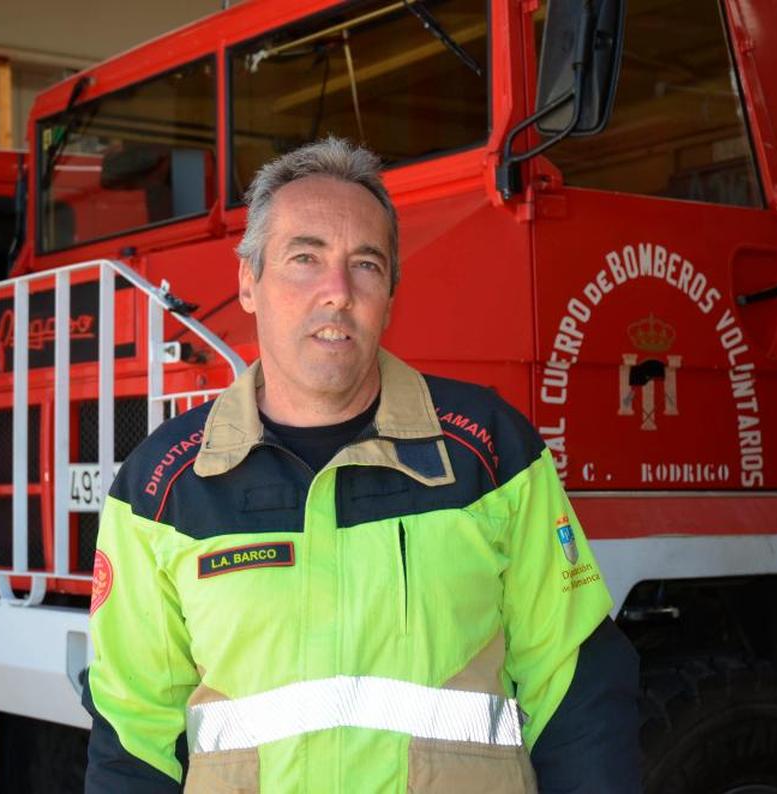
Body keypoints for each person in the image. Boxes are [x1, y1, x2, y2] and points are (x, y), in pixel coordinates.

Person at [83, 137, 641, 793]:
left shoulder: (488, 452)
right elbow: (131, 740)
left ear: (390, 293)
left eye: (366, 265)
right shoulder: (161, 486)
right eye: (304, 259)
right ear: (248, 283)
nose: (338, 292)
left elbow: (576, 691)